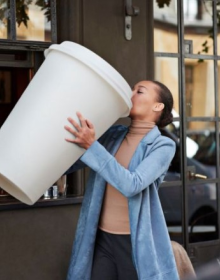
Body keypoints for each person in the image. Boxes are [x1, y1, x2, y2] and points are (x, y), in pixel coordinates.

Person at [64, 80, 179, 280]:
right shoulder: (114, 134)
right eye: (132, 89)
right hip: (100, 238)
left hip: (134, 242)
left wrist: (92, 147)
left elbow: (132, 185)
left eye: (139, 91)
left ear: (157, 106)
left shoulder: (163, 145)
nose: (131, 93)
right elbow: (71, 163)